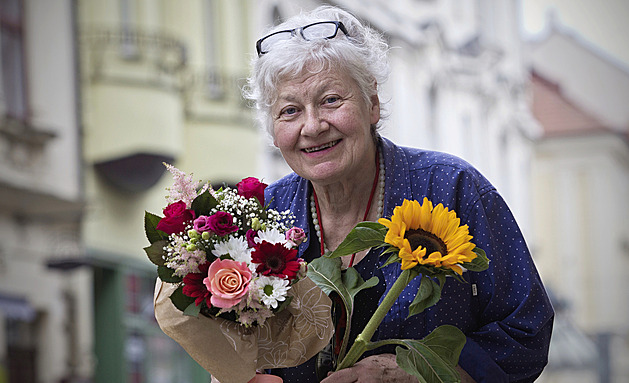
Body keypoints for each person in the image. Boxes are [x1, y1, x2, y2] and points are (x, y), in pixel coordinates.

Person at [246, 5, 554, 383]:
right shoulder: (264, 214)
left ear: (371, 102)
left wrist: (413, 373)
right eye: (290, 111)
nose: (312, 126)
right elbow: (236, 340)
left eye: (330, 100)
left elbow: (526, 330)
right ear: (273, 131)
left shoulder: (451, 188)